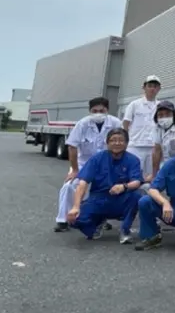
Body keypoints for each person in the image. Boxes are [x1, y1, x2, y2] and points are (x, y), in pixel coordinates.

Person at [54, 97, 122, 233]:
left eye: (101, 110)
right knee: (69, 186)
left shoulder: (116, 123)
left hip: (107, 164)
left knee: (108, 189)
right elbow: (72, 146)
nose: (98, 113)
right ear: (90, 111)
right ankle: (62, 220)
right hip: (83, 164)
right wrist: (74, 170)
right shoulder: (82, 124)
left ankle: (102, 219)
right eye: (94, 111)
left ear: (107, 110)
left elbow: (122, 145)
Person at [66, 128, 143, 244]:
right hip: (99, 199)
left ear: (127, 143)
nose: (117, 143)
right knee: (74, 219)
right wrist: (76, 207)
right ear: (107, 143)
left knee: (137, 195)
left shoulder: (133, 160)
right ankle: (97, 224)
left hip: (121, 198)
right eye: (113, 140)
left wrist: (124, 186)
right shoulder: (97, 158)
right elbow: (82, 183)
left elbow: (137, 181)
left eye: (121, 140)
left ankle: (125, 230)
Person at [122, 75, 161, 183]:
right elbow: (126, 123)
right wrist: (125, 141)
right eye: (150, 86)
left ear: (159, 89)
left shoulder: (161, 106)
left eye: (155, 86)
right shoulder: (134, 104)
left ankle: (148, 194)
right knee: (132, 174)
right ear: (144, 87)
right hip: (135, 145)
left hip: (153, 146)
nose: (152, 89)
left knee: (151, 176)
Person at [151, 100, 175, 180]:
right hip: (165, 165)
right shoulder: (157, 128)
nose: (164, 117)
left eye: (167, 114)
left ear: (173, 114)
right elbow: (157, 150)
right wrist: (154, 175)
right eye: (160, 115)